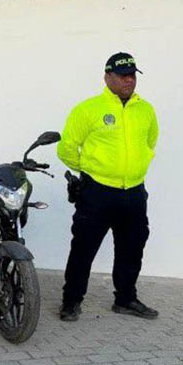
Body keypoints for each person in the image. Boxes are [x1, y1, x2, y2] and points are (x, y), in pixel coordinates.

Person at [57, 52, 159, 322]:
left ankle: (125, 299)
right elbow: (66, 148)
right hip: (97, 192)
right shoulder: (88, 109)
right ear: (107, 77)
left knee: (132, 248)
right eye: (123, 75)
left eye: (132, 75)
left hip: (134, 192)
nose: (129, 80)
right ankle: (71, 301)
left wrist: (134, 168)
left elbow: (150, 143)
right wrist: (91, 170)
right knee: (83, 249)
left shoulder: (145, 110)